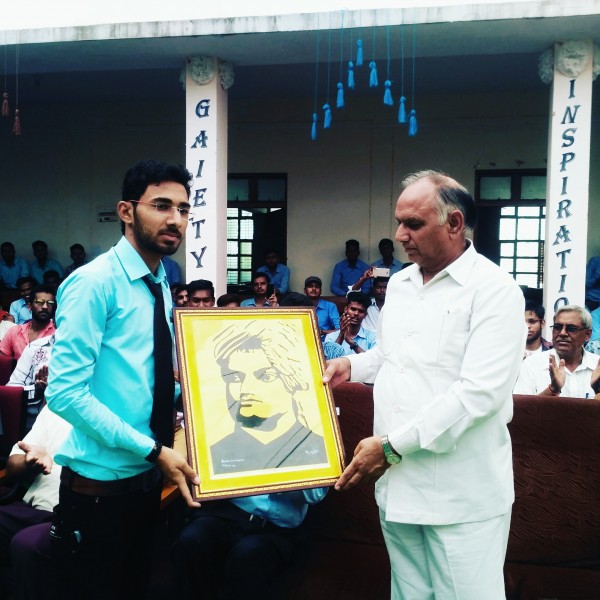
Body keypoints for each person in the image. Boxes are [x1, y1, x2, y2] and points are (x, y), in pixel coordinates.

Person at [323, 170, 525, 599]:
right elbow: (393, 354)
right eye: (399, 222)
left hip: (459, 494)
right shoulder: (400, 283)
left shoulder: (494, 290)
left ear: (454, 223)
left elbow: (479, 393)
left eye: (413, 224)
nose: (399, 235)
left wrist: (392, 446)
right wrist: (351, 368)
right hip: (399, 484)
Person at [44, 159, 200, 600]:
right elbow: (65, 394)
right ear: (127, 211)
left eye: (185, 210)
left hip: (147, 484)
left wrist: (197, 396)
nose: (175, 220)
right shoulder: (93, 283)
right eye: (162, 206)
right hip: (98, 493)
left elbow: (141, 379)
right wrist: (154, 450)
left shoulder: (160, 280)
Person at [210, 320, 327, 474]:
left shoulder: (321, 449)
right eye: (235, 378)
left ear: (292, 379)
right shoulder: (213, 456)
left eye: (266, 376)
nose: (245, 389)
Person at [0, 406, 71, 600]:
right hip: (30, 507)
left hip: (76, 513)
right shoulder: (55, 406)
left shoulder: (113, 405)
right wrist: (29, 460)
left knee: (26, 545)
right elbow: (13, 464)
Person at [514, 305, 600, 398]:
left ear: (587, 334)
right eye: (557, 327)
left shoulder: (597, 366)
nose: (562, 333)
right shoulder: (532, 364)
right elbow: (521, 409)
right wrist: (552, 390)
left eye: (571, 328)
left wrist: (597, 391)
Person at [7, 333, 55, 431]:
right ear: (54, 320)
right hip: (33, 425)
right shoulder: (35, 347)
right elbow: (12, 389)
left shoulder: (90, 350)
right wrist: (37, 391)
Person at [0, 285, 56, 361]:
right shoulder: (14, 332)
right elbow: (2, 362)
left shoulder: (58, 333)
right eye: (39, 302)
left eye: (50, 303)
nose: (45, 307)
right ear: (29, 306)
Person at [325, 291, 376, 355]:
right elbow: (330, 359)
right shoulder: (331, 337)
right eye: (353, 309)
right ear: (346, 309)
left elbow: (372, 362)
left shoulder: (372, 337)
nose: (356, 313)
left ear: (365, 314)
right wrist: (341, 336)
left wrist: (352, 343)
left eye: (361, 311)